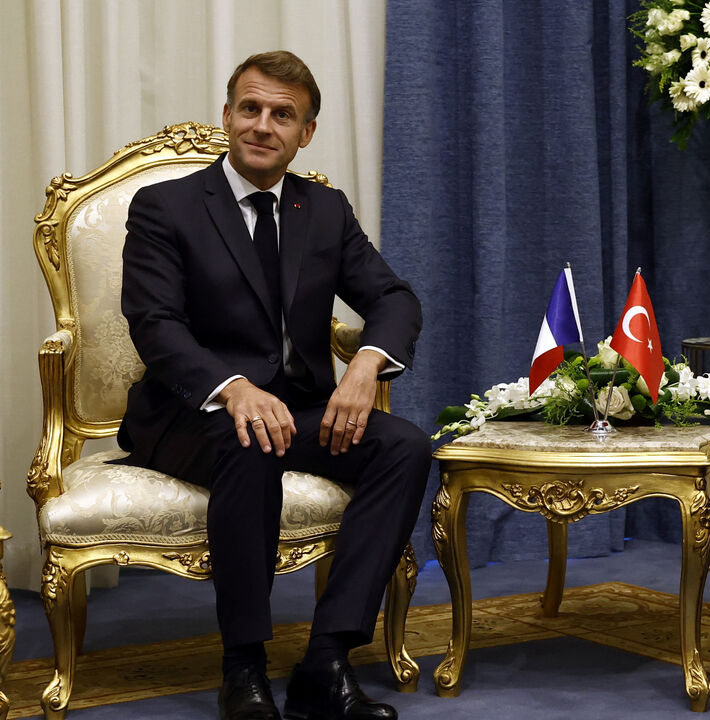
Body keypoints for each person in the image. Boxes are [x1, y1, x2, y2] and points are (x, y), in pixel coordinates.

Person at [118, 51, 429, 720]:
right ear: (227, 117)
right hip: (191, 414)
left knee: (404, 444)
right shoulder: (164, 207)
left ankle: (326, 660)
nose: (264, 125)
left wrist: (366, 366)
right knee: (250, 435)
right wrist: (232, 387)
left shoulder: (323, 209)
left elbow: (394, 298)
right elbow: (155, 324)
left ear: (305, 133)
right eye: (251, 109)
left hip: (299, 410)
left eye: (282, 115)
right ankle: (244, 666)